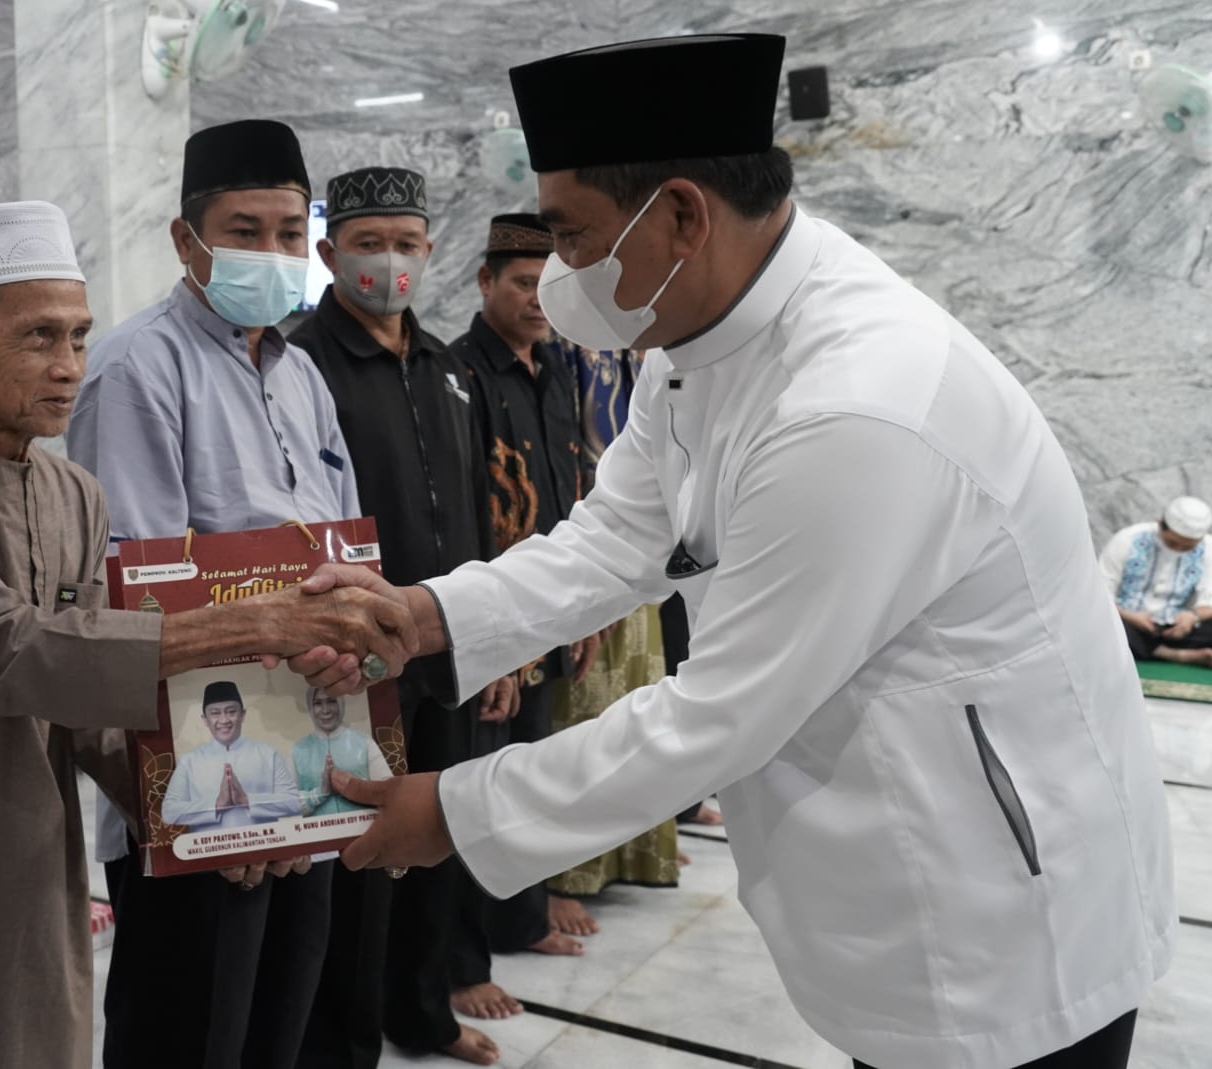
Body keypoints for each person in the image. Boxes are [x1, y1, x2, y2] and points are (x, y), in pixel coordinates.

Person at [295, 33, 1173, 1069]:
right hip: (887, 874)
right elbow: (619, 532)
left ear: (677, 215)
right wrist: (429, 617)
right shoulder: (704, 333)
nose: (560, 275)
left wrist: (450, 809)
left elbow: (719, 712)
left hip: (1000, 916)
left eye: (573, 238)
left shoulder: (860, 406)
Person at [0, 199, 416, 1069]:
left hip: (22, 840)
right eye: (39, 337)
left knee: (24, 1036)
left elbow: (90, 712)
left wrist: (212, 823)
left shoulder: (73, 494)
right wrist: (263, 618)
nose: (71, 365)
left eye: (78, 336)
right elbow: (14, 653)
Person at [69, 119, 358, 1069]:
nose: (271, 254)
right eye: (245, 230)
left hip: (307, 763)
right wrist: (218, 810)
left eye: (286, 232)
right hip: (198, 782)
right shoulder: (135, 369)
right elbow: (142, 601)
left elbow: (347, 556)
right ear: (186, 239)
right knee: (189, 1029)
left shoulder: (302, 372)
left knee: (280, 1017)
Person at [287, 165, 514, 1066]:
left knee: (434, 839)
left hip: (446, 640)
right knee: (355, 860)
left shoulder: (448, 365)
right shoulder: (303, 360)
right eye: (370, 244)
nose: (390, 261)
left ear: (430, 250)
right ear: (329, 251)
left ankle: (419, 1014)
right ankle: (342, 1043)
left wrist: (492, 639)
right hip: (355, 653)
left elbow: (475, 508)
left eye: (407, 244)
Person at [446, 212, 593, 995]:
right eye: (523, 284)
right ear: (484, 283)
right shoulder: (459, 372)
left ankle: (523, 913)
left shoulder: (559, 367)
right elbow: (471, 515)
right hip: (501, 618)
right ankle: (466, 953)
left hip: (554, 611)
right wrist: (490, 640)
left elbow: (573, 490)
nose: (538, 301)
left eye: (551, 286)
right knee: (483, 781)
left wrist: (586, 609)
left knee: (535, 771)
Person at [543, 338, 679, 930]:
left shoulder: (632, 351)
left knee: (638, 703)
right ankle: (564, 875)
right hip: (586, 548)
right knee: (582, 714)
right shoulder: (564, 349)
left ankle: (630, 854)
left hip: (641, 552)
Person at [163, 681, 304, 830]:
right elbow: (169, 812)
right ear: (205, 719)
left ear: (243, 715)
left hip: (262, 848)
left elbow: (293, 802)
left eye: (231, 711)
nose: (224, 720)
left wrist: (247, 800)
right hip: (211, 851)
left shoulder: (267, 754)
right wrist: (216, 804)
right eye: (215, 713)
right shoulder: (190, 761)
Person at [1099, 496, 1212, 665]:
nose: (1179, 550)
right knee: (1100, 625)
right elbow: (1100, 593)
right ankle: (1168, 654)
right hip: (1127, 622)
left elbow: (1208, 601)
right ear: (1160, 524)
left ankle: (1149, 649)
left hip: (1176, 628)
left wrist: (1192, 617)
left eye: (1188, 547)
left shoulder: (1208, 548)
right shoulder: (1127, 540)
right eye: (1173, 543)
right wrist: (1129, 616)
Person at [293, 687, 391, 817]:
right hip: (318, 834)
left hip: (364, 830)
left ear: (341, 703)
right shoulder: (298, 750)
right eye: (317, 703)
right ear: (310, 707)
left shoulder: (364, 742)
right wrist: (320, 793)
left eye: (331, 701)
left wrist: (348, 785)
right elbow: (287, 806)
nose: (325, 710)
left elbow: (388, 792)